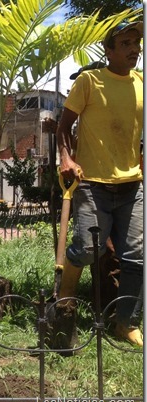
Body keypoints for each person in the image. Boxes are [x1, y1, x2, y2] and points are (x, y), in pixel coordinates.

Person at [56, 21, 143, 347]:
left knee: (136, 256)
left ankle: (126, 322)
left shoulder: (141, 83)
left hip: (133, 184)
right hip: (92, 183)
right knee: (87, 249)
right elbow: (64, 126)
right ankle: (65, 299)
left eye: (136, 42)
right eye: (126, 43)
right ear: (109, 49)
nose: (134, 48)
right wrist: (67, 158)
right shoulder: (90, 82)